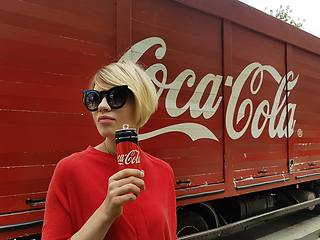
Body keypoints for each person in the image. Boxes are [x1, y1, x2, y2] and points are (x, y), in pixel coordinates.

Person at [42, 60, 177, 240]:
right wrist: (107, 211)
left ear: (141, 102)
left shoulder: (163, 172)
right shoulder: (70, 170)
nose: (102, 106)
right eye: (94, 98)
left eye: (115, 97)